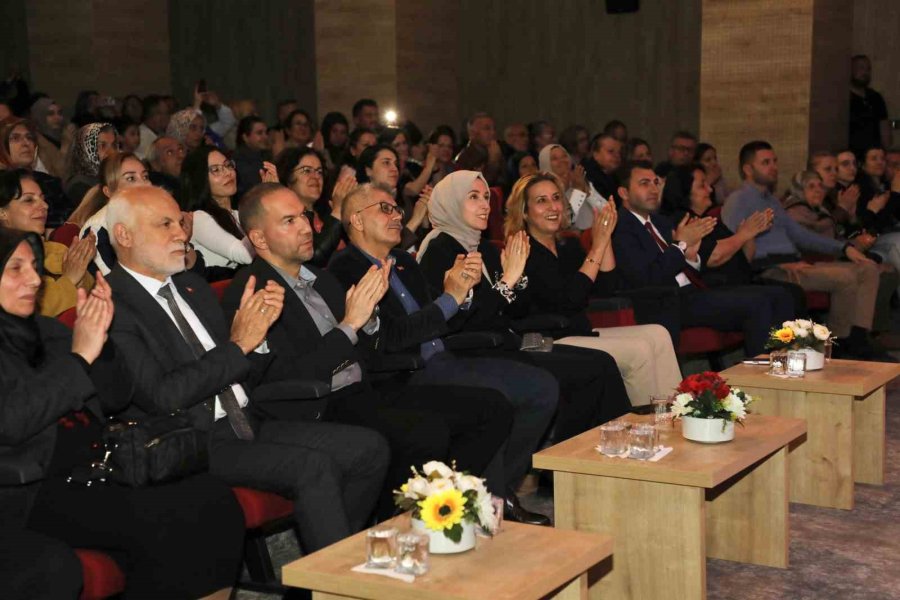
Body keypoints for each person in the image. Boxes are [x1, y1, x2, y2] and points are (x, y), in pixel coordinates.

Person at [105, 185, 390, 554]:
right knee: (313, 467)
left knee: (368, 449)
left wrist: (260, 339)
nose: (181, 233)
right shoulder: (112, 304)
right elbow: (163, 395)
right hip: (195, 436)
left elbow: (247, 370)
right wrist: (241, 343)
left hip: (250, 417)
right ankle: (336, 581)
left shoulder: (191, 286)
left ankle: (324, 575)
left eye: (179, 222)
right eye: (165, 225)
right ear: (124, 235)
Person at [229, 182, 513, 517]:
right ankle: (394, 524)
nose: (307, 227)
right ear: (260, 239)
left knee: (492, 408)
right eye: (289, 221)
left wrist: (371, 321)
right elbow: (292, 375)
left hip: (366, 387)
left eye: (304, 216)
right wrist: (350, 325)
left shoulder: (322, 280)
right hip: (318, 405)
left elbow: (376, 344)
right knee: (424, 432)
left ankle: (440, 510)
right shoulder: (254, 293)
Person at [0, 228, 245, 599]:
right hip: (35, 488)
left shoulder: (46, 331)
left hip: (101, 463)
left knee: (215, 499)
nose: (34, 279)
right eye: (15, 268)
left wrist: (103, 341)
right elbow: (13, 422)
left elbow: (114, 397)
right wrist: (80, 356)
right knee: (162, 520)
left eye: (34, 266)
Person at [329, 182, 557, 524]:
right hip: (404, 371)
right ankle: (483, 499)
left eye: (397, 209)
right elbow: (391, 338)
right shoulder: (345, 269)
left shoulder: (403, 261)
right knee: (493, 399)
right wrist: (450, 299)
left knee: (539, 384)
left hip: (443, 356)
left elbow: (444, 319)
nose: (396, 216)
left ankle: (492, 493)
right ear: (357, 221)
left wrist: (462, 294)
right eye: (384, 209)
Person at [415, 171, 632, 441]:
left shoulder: (482, 247)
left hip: (508, 341)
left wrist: (513, 283)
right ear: (450, 202)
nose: (485, 205)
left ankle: (614, 450)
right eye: (473, 197)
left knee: (601, 363)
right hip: (472, 352)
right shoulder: (440, 249)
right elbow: (460, 321)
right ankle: (567, 459)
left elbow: (511, 310)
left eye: (485, 197)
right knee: (588, 371)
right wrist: (508, 280)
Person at [503, 172, 682, 405]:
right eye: (541, 200)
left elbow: (607, 287)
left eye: (556, 198)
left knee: (658, 333)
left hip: (579, 331)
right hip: (547, 339)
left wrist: (604, 237)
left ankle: (679, 412)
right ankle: (645, 426)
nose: (553, 206)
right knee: (638, 351)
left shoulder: (568, 245)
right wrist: (597, 248)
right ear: (524, 212)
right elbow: (569, 301)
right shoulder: (523, 250)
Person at [722, 141, 883, 358]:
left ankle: (859, 337)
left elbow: (801, 235)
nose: (773, 167)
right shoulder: (738, 200)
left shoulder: (771, 200)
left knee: (868, 268)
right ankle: (839, 344)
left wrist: (845, 248)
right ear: (748, 169)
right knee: (846, 277)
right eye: (766, 162)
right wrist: (773, 263)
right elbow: (733, 244)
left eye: (775, 161)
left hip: (795, 262)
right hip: (774, 270)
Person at [613, 160, 783, 357]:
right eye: (644, 183)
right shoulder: (621, 228)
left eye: (656, 182)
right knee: (758, 302)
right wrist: (681, 245)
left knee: (776, 296)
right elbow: (648, 276)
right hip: (664, 303)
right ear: (624, 193)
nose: (653, 189)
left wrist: (692, 257)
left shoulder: (660, 222)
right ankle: (762, 377)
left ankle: (783, 367)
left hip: (689, 294)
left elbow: (681, 267)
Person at [783, 169, 898, 334]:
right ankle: (842, 336)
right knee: (864, 271)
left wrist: (854, 244)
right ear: (799, 189)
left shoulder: (819, 210)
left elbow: (834, 239)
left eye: (820, 186)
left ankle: (860, 334)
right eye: (811, 186)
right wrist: (848, 245)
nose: (818, 190)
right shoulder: (795, 211)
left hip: (830, 257)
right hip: (808, 262)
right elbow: (810, 242)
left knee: (872, 267)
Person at [0, 169, 95, 316]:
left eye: (42, 198)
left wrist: (79, 265)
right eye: (29, 200)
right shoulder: (4, 258)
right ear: (2, 213)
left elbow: (92, 289)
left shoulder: (55, 249)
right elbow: (32, 310)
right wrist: (70, 280)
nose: (44, 206)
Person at [179, 146, 257, 278]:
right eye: (216, 170)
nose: (228, 173)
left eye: (228, 165)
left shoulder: (237, 214)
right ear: (200, 178)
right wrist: (265, 212)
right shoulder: (198, 218)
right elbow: (245, 255)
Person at [275, 147, 355, 267]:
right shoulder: (284, 219)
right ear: (288, 177)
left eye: (319, 172)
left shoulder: (328, 211)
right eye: (306, 171)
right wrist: (338, 211)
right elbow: (313, 259)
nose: (315, 177)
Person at [0, 118, 72, 229]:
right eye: (15, 138)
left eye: (30, 138)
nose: (26, 143)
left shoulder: (49, 181)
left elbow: (70, 219)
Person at [356, 144, 429, 251]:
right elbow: (384, 252)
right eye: (386, 163)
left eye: (396, 164)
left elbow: (419, 245)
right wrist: (415, 220)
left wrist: (425, 215)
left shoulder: (402, 200)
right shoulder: (360, 204)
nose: (394, 169)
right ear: (368, 170)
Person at [538, 143, 607, 230]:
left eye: (564, 156)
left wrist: (587, 190)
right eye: (554, 158)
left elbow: (607, 212)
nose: (562, 160)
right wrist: (578, 191)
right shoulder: (544, 191)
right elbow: (565, 222)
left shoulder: (579, 180)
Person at [65, 122, 117, 206]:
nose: (111, 152)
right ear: (86, 150)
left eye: (113, 145)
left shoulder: (110, 176)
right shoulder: (78, 186)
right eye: (102, 146)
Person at [849, 54, 892, 153]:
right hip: (852, 154)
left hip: (875, 155)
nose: (865, 72)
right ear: (850, 70)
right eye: (861, 68)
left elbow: (884, 126)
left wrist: (887, 151)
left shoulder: (876, 98)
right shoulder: (843, 98)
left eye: (868, 69)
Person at [455, 112, 505, 187]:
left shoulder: (497, 150)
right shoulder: (464, 158)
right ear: (472, 133)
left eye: (494, 128)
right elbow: (478, 186)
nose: (492, 133)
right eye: (487, 129)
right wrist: (493, 162)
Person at [28, 97, 70, 179]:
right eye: (51, 114)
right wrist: (66, 147)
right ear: (40, 116)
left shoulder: (66, 135)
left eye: (60, 113)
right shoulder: (35, 142)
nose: (57, 117)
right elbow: (60, 173)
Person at [232, 115, 272, 201]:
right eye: (259, 133)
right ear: (245, 137)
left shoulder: (266, 155)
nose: (265, 137)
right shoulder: (239, 160)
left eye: (266, 133)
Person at [582, 133, 622, 203]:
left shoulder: (617, 175)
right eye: (610, 151)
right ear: (596, 154)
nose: (617, 156)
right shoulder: (587, 176)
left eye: (619, 152)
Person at [135, 94, 170, 159]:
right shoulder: (140, 137)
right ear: (156, 115)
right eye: (166, 113)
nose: (168, 117)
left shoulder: (162, 134)